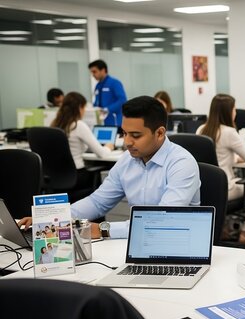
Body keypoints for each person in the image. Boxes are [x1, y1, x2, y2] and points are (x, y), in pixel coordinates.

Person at [19, 96, 201, 239]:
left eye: (136, 135)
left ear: (160, 133)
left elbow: (163, 221)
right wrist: (53, 218)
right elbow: (97, 202)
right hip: (137, 241)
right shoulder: (127, 161)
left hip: (177, 243)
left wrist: (103, 229)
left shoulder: (181, 163)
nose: (127, 142)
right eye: (124, 133)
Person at [197, 94, 245, 248]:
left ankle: (223, 229)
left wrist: (236, 159)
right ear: (228, 111)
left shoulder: (202, 129)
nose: (236, 113)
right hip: (226, 188)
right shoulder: (228, 132)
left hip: (204, 189)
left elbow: (217, 157)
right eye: (234, 109)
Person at [51, 92, 115, 189]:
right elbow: (102, 154)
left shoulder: (54, 124)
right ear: (80, 107)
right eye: (84, 108)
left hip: (56, 176)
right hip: (77, 176)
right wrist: (108, 147)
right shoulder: (78, 125)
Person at [89, 59, 127, 127]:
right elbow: (97, 102)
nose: (93, 75)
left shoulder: (114, 83)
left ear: (103, 70)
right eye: (91, 72)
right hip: (101, 121)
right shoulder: (97, 86)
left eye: (94, 72)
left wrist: (107, 109)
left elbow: (122, 100)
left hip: (114, 121)